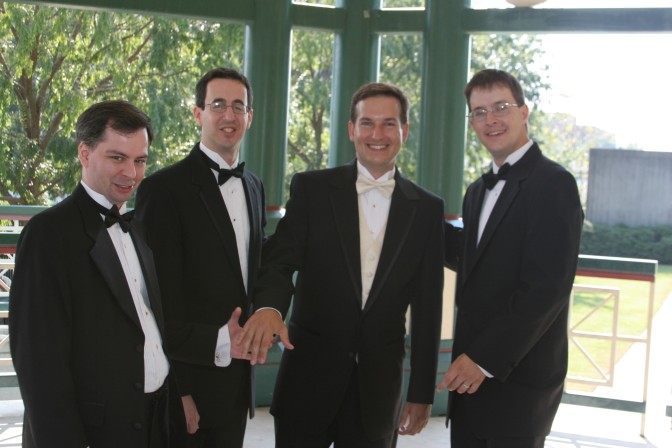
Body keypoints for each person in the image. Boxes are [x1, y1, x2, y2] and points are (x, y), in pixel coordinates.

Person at [239, 82, 445, 448]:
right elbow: (280, 260)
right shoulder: (312, 189)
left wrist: (421, 392)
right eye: (367, 123)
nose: (377, 134)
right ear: (351, 129)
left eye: (388, 124)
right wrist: (269, 307)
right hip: (307, 384)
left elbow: (428, 306)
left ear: (404, 130)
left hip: (378, 394)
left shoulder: (427, 209)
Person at [9, 100, 187, 447]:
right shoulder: (48, 233)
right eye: (117, 158)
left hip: (156, 422)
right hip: (94, 432)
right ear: (85, 153)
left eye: (140, 160)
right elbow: (38, 364)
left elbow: (149, 327)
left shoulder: (137, 227)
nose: (131, 173)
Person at [437, 69, 584, 448]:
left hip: (519, 387)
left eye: (501, 107)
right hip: (468, 385)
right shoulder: (476, 191)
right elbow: (476, 260)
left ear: (524, 112)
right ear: (472, 122)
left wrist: (482, 359)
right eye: (479, 112)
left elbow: (547, 288)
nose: (491, 119)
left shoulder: (554, 183)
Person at [134, 67, 265, 448]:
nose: (229, 115)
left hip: (237, 384)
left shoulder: (254, 186)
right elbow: (156, 300)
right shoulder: (163, 190)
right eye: (218, 105)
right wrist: (180, 389)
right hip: (188, 384)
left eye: (238, 106)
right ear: (198, 114)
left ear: (249, 117)